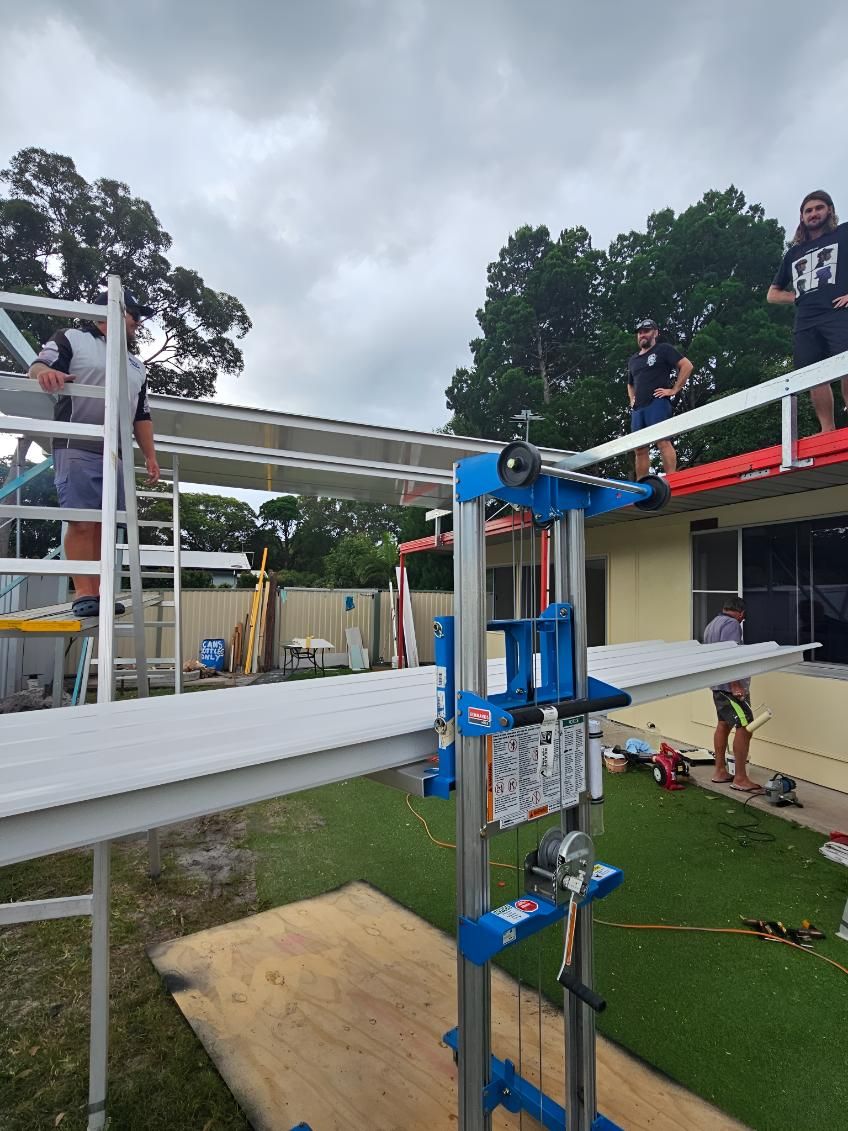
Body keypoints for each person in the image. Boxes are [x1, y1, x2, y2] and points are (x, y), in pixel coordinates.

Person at [27, 287, 160, 618]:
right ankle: (84, 593)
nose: (138, 323)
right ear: (112, 312)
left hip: (115, 452)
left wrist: (150, 455)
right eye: (134, 315)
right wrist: (47, 374)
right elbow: (38, 367)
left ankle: (100, 592)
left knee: (105, 524)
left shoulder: (135, 365)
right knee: (83, 522)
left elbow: (141, 414)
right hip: (76, 443)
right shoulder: (71, 337)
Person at [767, 189, 848, 433]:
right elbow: (773, 293)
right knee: (813, 374)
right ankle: (827, 430)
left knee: (846, 364)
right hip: (806, 320)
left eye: (818, 208)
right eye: (808, 210)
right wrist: (796, 297)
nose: (813, 214)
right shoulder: (794, 252)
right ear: (802, 217)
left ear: (830, 210)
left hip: (837, 311)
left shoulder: (843, 233)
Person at [703, 597, 760, 793]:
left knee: (723, 724)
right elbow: (730, 654)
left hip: (718, 685)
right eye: (743, 618)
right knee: (745, 727)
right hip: (729, 688)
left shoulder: (713, 624)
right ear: (741, 613)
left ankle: (719, 771)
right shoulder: (732, 624)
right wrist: (735, 684)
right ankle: (741, 778)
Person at [626, 319, 693, 479]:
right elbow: (630, 384)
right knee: (639, 448)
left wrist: (674, 389)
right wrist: (631, 399)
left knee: (662, 440)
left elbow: (687, 365)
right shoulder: (633, 360)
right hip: (638, 409)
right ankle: (642, 485)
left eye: (646, 331)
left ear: (655, 333)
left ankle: (672, 478)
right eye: (640, 332)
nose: (642, 335)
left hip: (657, 402)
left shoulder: (663, 350)